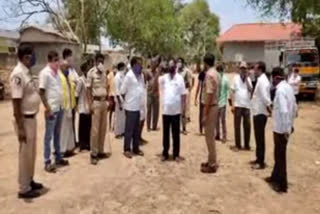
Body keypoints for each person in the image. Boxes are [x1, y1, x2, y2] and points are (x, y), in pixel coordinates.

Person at [10, 43, 43, 199]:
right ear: (25, 57)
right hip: (24, 118)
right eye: (31, 56)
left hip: (32, 118)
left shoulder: (27, 72)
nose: (33, 58)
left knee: (31, 153)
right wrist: (21, 127)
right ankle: (24, 188)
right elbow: (16, 102)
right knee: (25, 154)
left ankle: (29, 180)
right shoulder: (18, 74)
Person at [265, 67, 297, 193]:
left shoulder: (280, 91)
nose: (272, 81)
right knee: (278, 154)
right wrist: (291, 125)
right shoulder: (289, 88)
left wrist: (285, 129)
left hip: (280, 130)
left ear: (276, 77)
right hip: (286, 127)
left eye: (272, 79)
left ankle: (282, 185)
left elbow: (284, 110)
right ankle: (275, 176)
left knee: (280, 156)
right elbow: (294, 108)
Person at [39, 51, 69, 173]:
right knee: (48, 136)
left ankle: (58, 157)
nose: (57, 62)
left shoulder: (57, 73)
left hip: (60, 107)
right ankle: (47, 161)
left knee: (57, 134)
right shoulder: (45, 73)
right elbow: (41, 92)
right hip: (52, 110)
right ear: (49, 60)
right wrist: (48, 109)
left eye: (58, 60)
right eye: (55, 60)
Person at [159, 59, 186, 162]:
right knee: (165, 134)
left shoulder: (180, 78)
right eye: (169, 66)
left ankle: (176, 155)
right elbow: (158, 82)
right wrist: (159, 67)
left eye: (172, 66)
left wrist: (183, 109)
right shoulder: (164, 78)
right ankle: (165, 153)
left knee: (176, 134)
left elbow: (183, 94)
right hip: (166, 111)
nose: (170, 67)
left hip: (176, 111)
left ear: (175, 67)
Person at [87, 53, 109, 165]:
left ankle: (100, 150)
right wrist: (90, 104)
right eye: (99, 61)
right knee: (95, 130)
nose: (101, 63)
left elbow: (107, 86)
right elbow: (88, 90)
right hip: (95, 102)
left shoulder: (105, 73)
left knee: (103, 128)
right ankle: (93, 153)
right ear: (95, 61)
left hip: (104, 101)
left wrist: (108, 100)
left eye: (102, 61)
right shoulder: (91, 73)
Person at [120, 56, 145, 159]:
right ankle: (126, 149)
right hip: (130, 107)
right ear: (134, 65)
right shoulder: (129, 76)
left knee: (136, 129)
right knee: (129, 130)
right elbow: (122, 91)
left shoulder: (141, 76)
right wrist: (126, 102)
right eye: (139, 64)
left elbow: (142, 88)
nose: (141, 66)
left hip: (138, 106)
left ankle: (136, 148)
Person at [201, 53, 220, 173]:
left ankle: (212, 164)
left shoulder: (209, 75)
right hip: (215, 106)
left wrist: (205, 113)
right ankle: (211, 159)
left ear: (205, 63)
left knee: (209, 137)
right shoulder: (216, 73)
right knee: (210, 136)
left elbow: (209, 94)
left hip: (211, 106)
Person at [250, 61, 272, 170]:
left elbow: (265, 97)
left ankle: (260, 161)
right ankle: (258, 158)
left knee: (260, 138)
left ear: (260, 69)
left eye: (255, 69)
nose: (254, 70)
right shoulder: (261, 79)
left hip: (260, 112)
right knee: (258, 138)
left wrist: (269, 107)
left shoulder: (262, 80)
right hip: (258, 111)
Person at [229, 61, 252, 151]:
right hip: (238, 105)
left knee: (247, 126)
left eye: (244, 68)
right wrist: (232, 105)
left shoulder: (248, 79)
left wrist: (246, 79)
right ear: (239, 69)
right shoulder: (235, 78)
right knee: (237, 126)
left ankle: (246, 144)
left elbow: (251, 90)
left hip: (247, 106)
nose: (243, 70)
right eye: (242, 68)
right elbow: (232, 92)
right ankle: (238, 145)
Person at [59, 61, 76, 157]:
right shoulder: (59, 78)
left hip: (70, 105)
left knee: (69, 128)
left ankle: (69, 148)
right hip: (63, 106)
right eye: (66, 67)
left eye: (68, 68)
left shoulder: (68, 77)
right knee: (63, 129)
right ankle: (62, 150)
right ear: (61, 67)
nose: (67, 70)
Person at [62, 49, 79, 147]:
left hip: (73, 99)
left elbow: (76, 80)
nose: (72, 58)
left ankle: (72, 142)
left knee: (72, 121)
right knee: (67, 123)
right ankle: (68, 145)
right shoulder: (64, 68)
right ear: (66, 56)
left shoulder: (72, 69)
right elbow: (73, 81)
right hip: (67, 100)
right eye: (70, 56)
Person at [76, 62, 91, 151]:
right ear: (84, 70)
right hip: (82, 106)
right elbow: (77, 94)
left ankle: (88, 143)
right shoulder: (80, 80)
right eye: (87, 69)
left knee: (88, 126)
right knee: (82, 126)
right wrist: (77, 106)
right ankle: (82, 144)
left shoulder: (89, 79)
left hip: (88, 106)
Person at [177, 57, 192, 135]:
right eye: (178, 62)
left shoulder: (186, 71)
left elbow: (189, 83)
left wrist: (188, 92)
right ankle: (177, 128)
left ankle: (184, 128)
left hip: (184, 93)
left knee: (183, 112)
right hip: (177, 93)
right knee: (177, 112)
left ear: (183, 63)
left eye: (180, 62)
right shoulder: (176, 71)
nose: (179, 63)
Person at [216, 63, 229, 143]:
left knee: (223, 120)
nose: (220, 72)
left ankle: (224, 136)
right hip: (216, 102)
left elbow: (229, 90)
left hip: (223, 102)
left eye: (220, 70)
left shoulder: (225, 79)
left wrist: (230, 101)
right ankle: (217, 134)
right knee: (216, 120)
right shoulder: (216, 79)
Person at [146, 57, 160, 131]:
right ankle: (148, 126)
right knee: (149, 110)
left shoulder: (158, 72)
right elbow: (146, 81)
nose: (153, 64)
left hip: (156, 94)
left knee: (156, 111)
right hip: (149, 93)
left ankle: (154, 126)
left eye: (154, 63)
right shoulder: (148, 72)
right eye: (152, 63)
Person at [114, 62, 126, 138]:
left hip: (123, 99)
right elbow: (117, 90)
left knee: (123, 117)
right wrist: (119, 102)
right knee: (118, 117)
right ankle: (117, 133)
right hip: (119, 99)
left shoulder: (123, 76)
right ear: (121, 68)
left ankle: (122, 132)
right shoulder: (117, 77)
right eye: (124, 68)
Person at [194, 63, 206, 135]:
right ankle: (201, 129)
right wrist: (195, 98)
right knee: (201, 113)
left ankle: (207, 128)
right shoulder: (201, 74)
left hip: (208, 95)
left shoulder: (211, 74)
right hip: (202, 95)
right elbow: (198, 86)